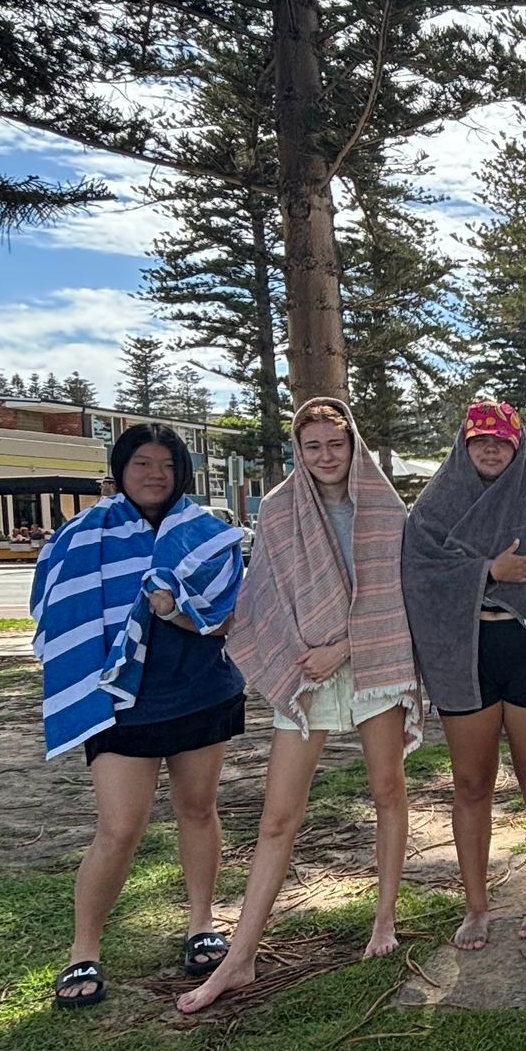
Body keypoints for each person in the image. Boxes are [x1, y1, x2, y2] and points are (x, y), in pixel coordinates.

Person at [179, 397, 420, 1012]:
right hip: (306, 668)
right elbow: (266, 592)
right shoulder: (280, 508)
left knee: (387, 790)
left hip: (372, 662)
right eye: (313, 447)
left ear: (353, 444)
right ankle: (240, 957)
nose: (325, 456)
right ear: (298, 450)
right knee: (277, 817)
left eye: (336, 444)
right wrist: (297, 649)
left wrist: (343, 646)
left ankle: (384, 919)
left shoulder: (384, 506)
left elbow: (399, 597)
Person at [31, 424, 244, 1010]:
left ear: (182, 473)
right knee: (120, 827)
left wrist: (172, 610)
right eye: (143, 463)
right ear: (120, 470)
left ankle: (202, 923)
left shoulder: (207, 535)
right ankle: (83, 949)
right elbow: (55, 607)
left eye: (167, 465)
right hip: (118, 701)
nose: (156, 474)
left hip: (199, 691)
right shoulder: (83, 536)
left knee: (197, 809)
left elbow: (227, 620)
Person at [402, 397, 526, 947]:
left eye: (500, 441)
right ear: (464, 446)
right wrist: (488, 571)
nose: (489, 448)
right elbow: (419, 577)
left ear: (517, 447)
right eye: (479, 440)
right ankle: (476, 907)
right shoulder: (434, 507)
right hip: (465, 651)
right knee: (471, 782)